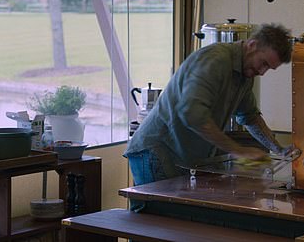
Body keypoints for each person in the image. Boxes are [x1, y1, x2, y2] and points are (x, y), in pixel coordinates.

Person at [124, 23, 293, 186]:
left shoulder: (245, 77)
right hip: (157, 151)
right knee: (158, 215)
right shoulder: (216, 60)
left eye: (269, 68)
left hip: (181, 157)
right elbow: (193, 114)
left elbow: (250, 117)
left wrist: (279, 149)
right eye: (263, 63)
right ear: (252, 45)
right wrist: (239, 151)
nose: (262, 72)